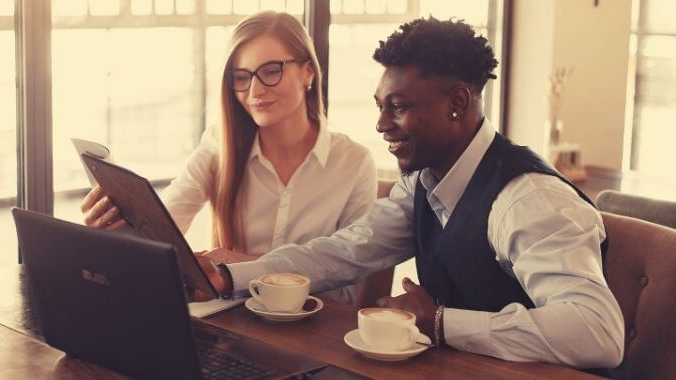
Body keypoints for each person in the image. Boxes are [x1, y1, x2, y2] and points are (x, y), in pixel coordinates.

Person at [192, 17, 624, 369]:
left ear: (457, 102)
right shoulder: (423, 180)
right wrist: (229, 277)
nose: (381, 124)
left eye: (397, 106)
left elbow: (597, 332)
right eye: (379, 105)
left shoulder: (528, 199)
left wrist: (439, 324)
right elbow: (345, 251)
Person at [80, 11, 378, 303]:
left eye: (272, 71)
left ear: (308, 72)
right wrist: (114, 230)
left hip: (312, 330)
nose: (255, 90)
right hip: (232, 322)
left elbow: (347, 288)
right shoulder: (218, 145)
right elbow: (163, 232)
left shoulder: (354, 163)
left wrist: (242, 267)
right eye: (241, 77)